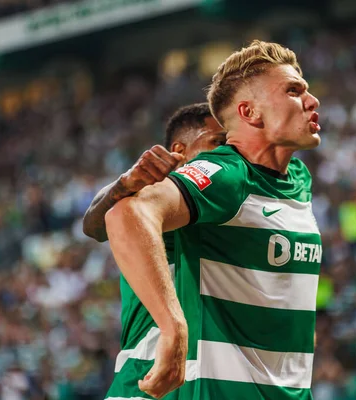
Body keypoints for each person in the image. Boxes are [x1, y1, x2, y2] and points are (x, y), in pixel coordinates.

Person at [104, 40, 322, 400]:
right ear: (250, 113)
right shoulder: (226, 174)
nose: (311, 101)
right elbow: (127, 213)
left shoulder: (297, 178)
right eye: (293, 91)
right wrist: (173, 328)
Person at [82, 103, 226, 399]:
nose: (227, 154)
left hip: (208, 375)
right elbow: (95, 224)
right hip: (148, 367)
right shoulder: (161, 189)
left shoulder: (230, 194)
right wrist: (126, 184)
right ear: (179, 151)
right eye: (217, 143)